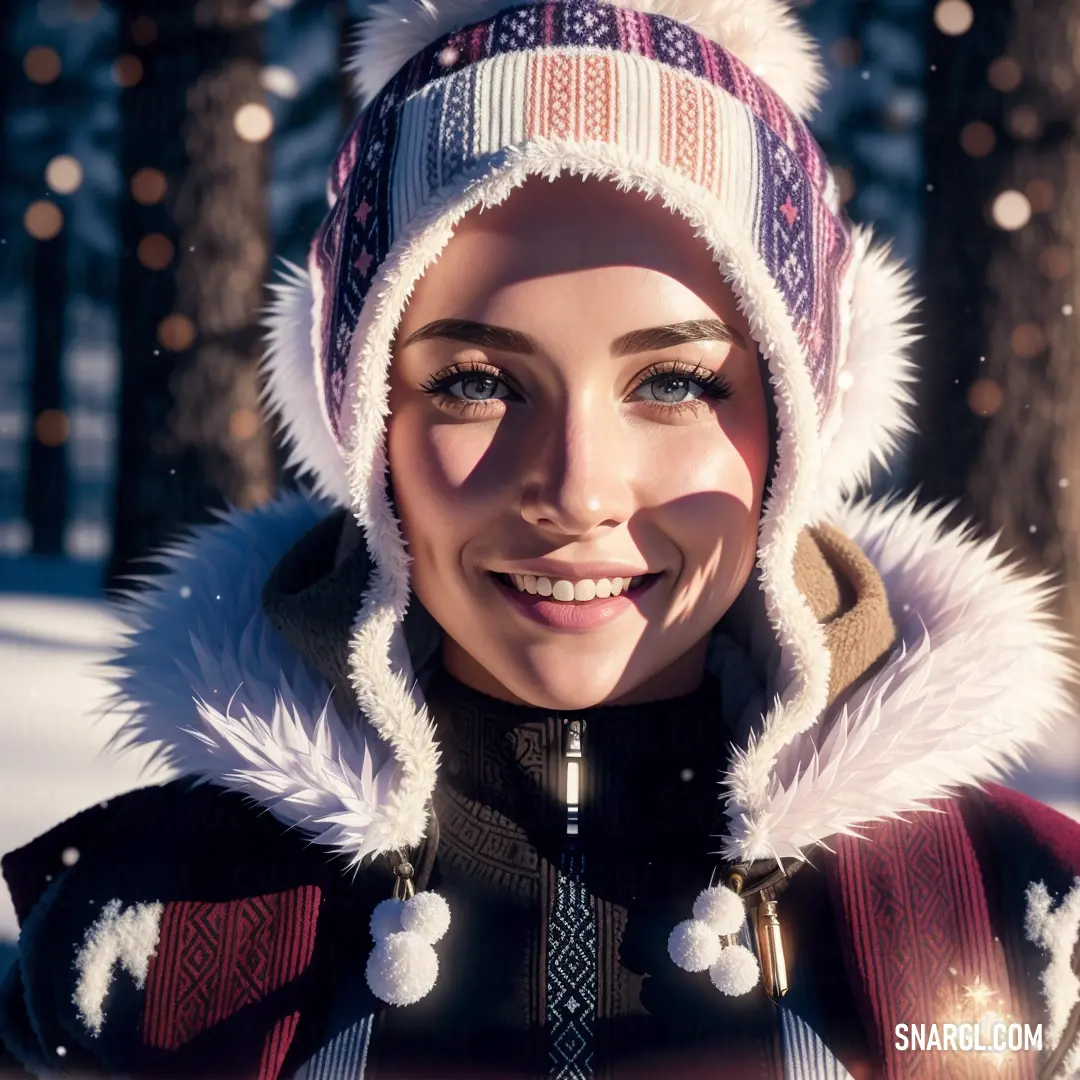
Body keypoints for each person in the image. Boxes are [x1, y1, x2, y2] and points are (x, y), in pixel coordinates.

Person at [3, 0, 1080, 1077]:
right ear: (362, 422)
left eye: (674, 382)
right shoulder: (141, 933)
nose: (575, 489)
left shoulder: (1016, 926)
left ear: (801, 425)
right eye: (475, 382)